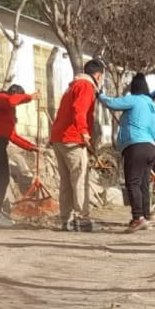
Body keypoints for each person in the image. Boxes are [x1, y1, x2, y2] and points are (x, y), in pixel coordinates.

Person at [99, 73, 155, 230]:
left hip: (135, 146)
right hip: (151, 147)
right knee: (143, 183)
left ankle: (137, 217)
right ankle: (145, 216)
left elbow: (113, 103)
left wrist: (100, 95)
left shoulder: (135, 99)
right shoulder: (152, 105)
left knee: (132, 182)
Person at [49, 58, 104, 232]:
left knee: (66, 181)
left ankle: (67, 219)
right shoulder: (86, 86)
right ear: (98, 75)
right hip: (73, 138)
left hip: (58, 138)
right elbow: (79, 110)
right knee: (79, 179)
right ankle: (82, 219)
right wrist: (84, 132)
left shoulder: (72, 86)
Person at [0, 83, 37, 227]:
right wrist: (30, 97)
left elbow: (12, 135)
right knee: (2, 179)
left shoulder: (7, 112)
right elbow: (11, 100)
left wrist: (31, 147)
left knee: (1, 180)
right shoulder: (0, 98)